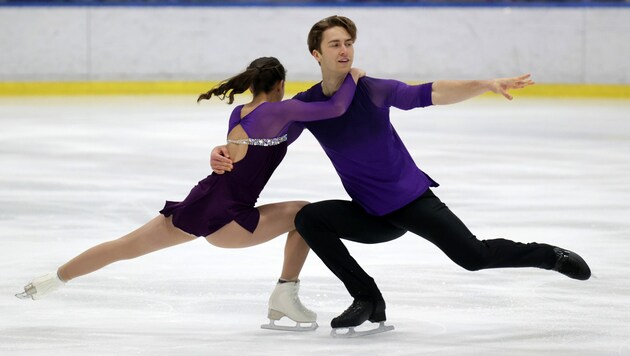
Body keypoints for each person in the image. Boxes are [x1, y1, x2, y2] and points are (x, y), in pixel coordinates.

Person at [210, 17, 591, 336]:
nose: (345, 51)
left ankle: (549, 257)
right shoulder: (307, 105)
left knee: (473, 257)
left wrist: (483, 84)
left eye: (349, 43)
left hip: (410, 201)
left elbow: (431, 92)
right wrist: (224, 151)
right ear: (316, 54)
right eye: (335, 45)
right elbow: (270, 140)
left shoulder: (372, 89)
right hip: (370, 213)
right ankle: (367, 298)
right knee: (309, 218)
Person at [17, 57, 364, 332]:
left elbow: (257, 145)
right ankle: (284, 294)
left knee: (125, 246)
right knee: (305, 214)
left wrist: (218, 151)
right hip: (231, 218)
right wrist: (353, 78)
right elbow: (332, 109)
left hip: (202, 201)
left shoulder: (242, 113)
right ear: (280, 85)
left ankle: (51, 280)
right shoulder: (278, 111)